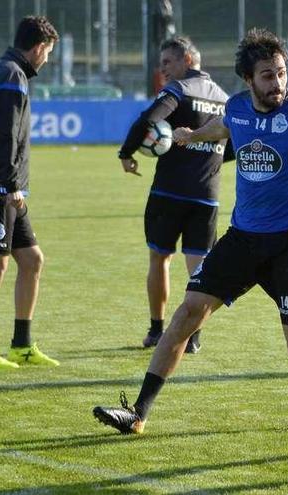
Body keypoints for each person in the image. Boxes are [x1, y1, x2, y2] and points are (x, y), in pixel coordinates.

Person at [93, 28, 288, 434]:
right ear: (248, 79)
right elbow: (223, 126)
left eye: (281, 73)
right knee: (188, 312)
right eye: (267, 75)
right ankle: (138, 413)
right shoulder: (238, 108)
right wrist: (193, 134)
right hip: (242, 239)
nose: (278, 83)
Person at [117, 36, 229, 354]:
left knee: (160, 258)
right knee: (199, 268)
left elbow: (148, 120)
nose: (163, 69)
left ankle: (156, 331)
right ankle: (192, 337)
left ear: (188, 61)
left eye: (168, 62)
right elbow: (229, 147)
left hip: (169, 193)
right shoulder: (224, 99)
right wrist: (206, 154)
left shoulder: (178, 90)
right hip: (207, 195)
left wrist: (127, 153)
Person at [0, 16, 59, 370]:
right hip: (4, 188)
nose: (47, 60)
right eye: (48, 53)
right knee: (0, 264)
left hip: (12, 190)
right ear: (38, 47)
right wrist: (8, 185)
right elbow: (4, 134)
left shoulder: (11, 72)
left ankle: (21, 344)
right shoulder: (11, 75)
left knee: (32, 260)